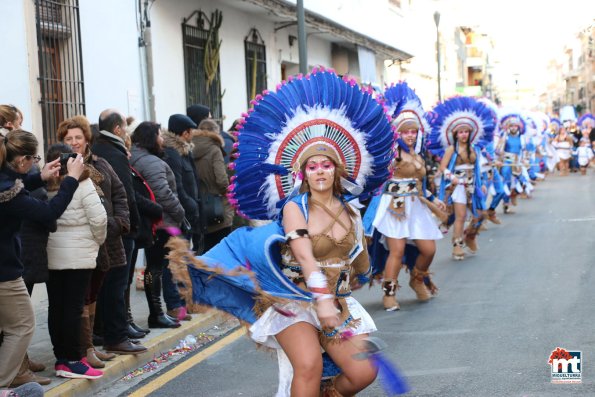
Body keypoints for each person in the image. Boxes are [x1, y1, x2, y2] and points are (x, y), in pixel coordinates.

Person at [167, 69, 396, 396]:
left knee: (362, 372)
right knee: (308, 366)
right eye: (312, 166)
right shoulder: (294, 207)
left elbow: (358, 258)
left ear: (337, 169)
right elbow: (303, 254)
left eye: (326, 165)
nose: (320, 171)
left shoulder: (350, 210)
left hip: (339, 302)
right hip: (294, 300)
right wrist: (322, 298)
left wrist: (360, 274)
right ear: (303, 172)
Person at [0, 129, 84, 387]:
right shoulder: (8, 191)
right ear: (22, 160)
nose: (36, 162)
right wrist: (71, 179)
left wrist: (40, 177)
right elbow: (48, 213)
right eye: (34, 159)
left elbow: (16, 187)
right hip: (4, 271)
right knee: (23, 325)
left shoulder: (5, 181)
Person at [58, 115, 132, 368]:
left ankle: (90, 346)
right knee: (80, 296)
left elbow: (120, 193)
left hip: (107, 238)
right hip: (78, 243)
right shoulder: (59, 167)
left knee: (94, 295)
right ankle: (84, 349)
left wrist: (118, 222)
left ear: (86, 139)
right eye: (69, 138)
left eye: (78, 137)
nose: (74, 142)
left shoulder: (101, 163)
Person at [363, 82, 445, 311]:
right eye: (405, 131)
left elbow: (419, 184)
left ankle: (417, 279)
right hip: (394, 207)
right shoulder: (393, 154)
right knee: (396, 251)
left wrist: (433, 199)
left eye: (413, 131)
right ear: (397, 133)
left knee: (429, 250)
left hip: (416, 206)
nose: (409, 135)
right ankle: (389, 293)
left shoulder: (416, 154)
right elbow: (376, 175)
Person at [45, 143, 107, 379]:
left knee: (56, 307)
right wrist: (96, 243)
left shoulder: (45, 184)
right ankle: (72, 360)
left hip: (51, 256)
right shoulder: (82, 184)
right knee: (73, 307)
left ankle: (61, 358)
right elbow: (99, 220)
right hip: (79, 257)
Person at [91, 110, 146, 354]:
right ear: (117, 129)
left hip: (111, 226)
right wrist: (133, 224)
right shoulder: (113, 152)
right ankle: (116, 334)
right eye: (124, 127)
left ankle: (113, 329)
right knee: (117, 284)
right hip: (119, 229)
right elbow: (126, 194)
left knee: (112, 285)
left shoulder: (103, 150)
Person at [130, 122, 185, 329]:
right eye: (159, 136)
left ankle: (158, 312)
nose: (162, 140)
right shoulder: (151, 162)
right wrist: (180, 213)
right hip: (161, 222)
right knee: (155, 269)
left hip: (149, 222)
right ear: (151, 139)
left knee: (154, 268)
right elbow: (163, 193)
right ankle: (156, 313)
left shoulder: (135, 157)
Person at [427, 97, 495, 261]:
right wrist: (453, 178)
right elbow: (443, 168)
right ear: (455, 134)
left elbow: (477, 169)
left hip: (473, 185)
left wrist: (482, 184)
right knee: (461, 217)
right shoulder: (451, 149)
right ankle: (457, 245)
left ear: (470, 133)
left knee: (480, 215)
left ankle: (469, 236)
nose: (463, 134)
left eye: (466, 131)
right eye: (460, 132)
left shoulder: (475, 149)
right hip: (458, 188)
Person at [162, 114, 201, 320]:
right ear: (184, 133)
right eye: (190, 131)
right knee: (173, 262)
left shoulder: (184, 151)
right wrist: (191, 206)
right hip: (178, 218)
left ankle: (185, 302)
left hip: (187, 215)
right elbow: (176, 187)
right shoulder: (172, 153)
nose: (192, 135)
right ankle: (175, 305)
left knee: (183, 260)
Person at [192, 119, 233, 251]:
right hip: (218, 205)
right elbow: (221, 179)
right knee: (222, 246)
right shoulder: (214, 149)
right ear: (215, 132)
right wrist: (228, 191)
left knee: (206, 246)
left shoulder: (190, 148)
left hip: (199, 203)